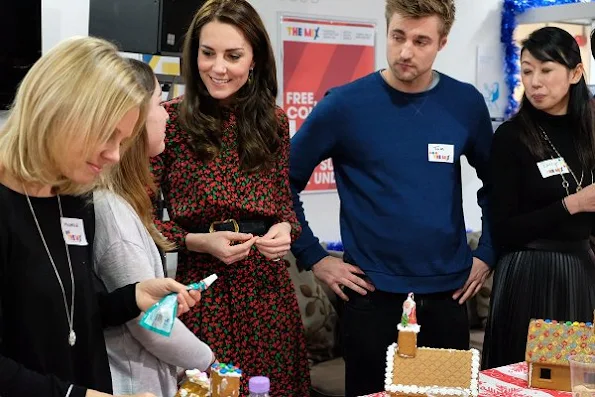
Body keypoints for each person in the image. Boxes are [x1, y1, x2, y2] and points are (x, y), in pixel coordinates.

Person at [289, 0, 495, 395]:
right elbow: (283, 180)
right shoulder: (344, 105)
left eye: (421, 41)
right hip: (371, 297)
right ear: (387, 31)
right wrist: (313, 257)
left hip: (447, 295)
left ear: (442, 42)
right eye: (398, 36)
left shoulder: (465, 103)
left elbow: (498, 185)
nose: (405, 51)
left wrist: (486, 253)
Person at [0, 36, 199, 397]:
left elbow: (73, 312)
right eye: (107, 135)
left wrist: (132, 297)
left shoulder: (76, 199)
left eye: (123, 141)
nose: (115, 156)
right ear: (58, 113)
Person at [150, 0, 310, 395]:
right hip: (203, 291)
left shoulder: (274, 122)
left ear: (254, 59)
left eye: (233, 56)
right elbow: (141, 216)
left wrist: (286, 230)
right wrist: (195, 241)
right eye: (208, 53)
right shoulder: (168, 122)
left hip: (267, 292)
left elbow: (283, 205)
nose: (218, 68)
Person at [94, 59, 215, 397]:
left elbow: (143, 306)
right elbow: (147, 326)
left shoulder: (122, 203)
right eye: (159, 105)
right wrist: (209, 359)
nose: (166, 115)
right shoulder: (112, 212)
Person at [482, 26, 595, 369]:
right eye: (527, 71)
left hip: (578, 272)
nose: (534, 82)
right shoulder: (511, 137)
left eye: (546, 70)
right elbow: (503, 229)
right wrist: (571, 204)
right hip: (526, 272)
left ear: (575, 73)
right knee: (524, 374)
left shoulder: (588, 133)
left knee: (572, 378)